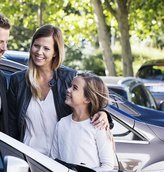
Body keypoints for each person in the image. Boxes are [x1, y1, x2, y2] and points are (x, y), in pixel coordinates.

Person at [7, 24, 111, 156]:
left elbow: (90, 100)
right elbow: (10, 124)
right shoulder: (18, 81)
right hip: (28, 159)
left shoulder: (68, 77)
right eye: (36, 45)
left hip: (62, 162)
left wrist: (103, 113)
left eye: (46, 48)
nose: (39, 52)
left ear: (55, 52)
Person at [50, 72, 115, 172]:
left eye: (74, 88)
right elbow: (53, 158)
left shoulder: (98, 125)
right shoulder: (61, 124)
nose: (68, 90)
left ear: (88, 98)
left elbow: (108, 165)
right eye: (70, 86)